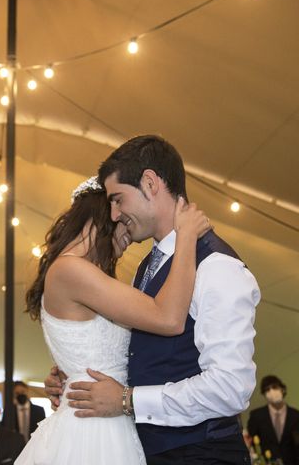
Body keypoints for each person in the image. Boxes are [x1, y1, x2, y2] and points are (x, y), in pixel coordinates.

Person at [44, 135, 260, 464]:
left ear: (149, 183)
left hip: (203, 454)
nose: (114, 215)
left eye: (118, 199)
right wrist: (77, 375)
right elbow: (141, 352)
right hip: (145, 450)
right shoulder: (146, 267)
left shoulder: (217, 266)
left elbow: (230, 387)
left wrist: (129, 400)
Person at [17, 168, 209, 464]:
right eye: (125, 223)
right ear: (106, 215)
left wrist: (67, 374)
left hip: (105, 418)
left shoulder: (78, 272)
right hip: (93, 432)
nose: (129, 238)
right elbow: (169, 318)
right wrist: (186, 238)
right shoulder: (71, 270)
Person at [247, 375, 299, 464]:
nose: (271, 391)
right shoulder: (256, 416)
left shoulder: (296, 415)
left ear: (282, 389)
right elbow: (251, 443)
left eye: (274, 387)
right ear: (264, 394)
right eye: (267, 390)